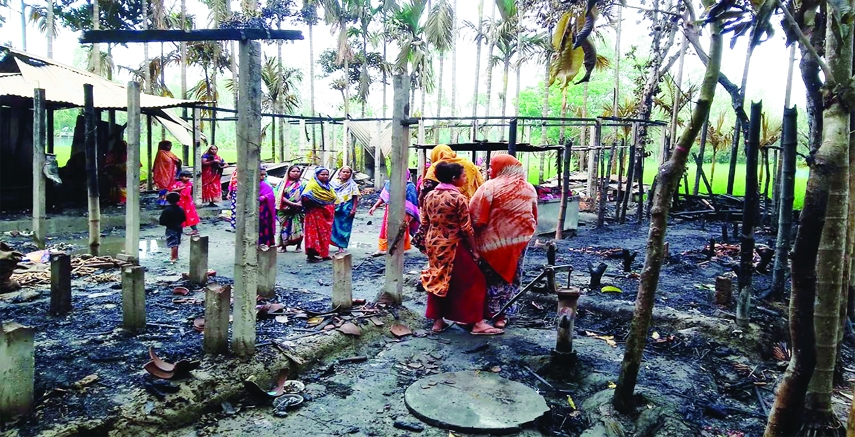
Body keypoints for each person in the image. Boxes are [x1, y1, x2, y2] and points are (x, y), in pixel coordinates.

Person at [420, 162, 503, 335]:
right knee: (475, 280)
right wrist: (474, 250)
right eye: (464, 176)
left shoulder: (429, 196)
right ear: (454, 178)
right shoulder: (458, 198)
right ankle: (477, 323)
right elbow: (466, 228)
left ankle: (438, 321)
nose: (466, 179)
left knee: (439, 279)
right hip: (453, 244)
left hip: (434, 243)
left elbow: (425, 223)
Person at [470, 155, 539, 329]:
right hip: (518, 244)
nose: (487, 170)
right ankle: (504, 316)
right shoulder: (530, 188)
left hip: (491, 246)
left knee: (491, 279)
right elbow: (533, 216)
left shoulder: (489, 187)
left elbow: (476, 218)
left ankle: (489, 314)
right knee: (512, 279)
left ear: (502, 168)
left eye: (491, 167)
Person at [368, 172, 419, 256]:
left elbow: (413, 201)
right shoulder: (389, 183)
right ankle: (382, 248)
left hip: (404, 211)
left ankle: (402, 248)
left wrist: (411, 215)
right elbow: (383, 197)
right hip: (390, 210)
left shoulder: (410, 186)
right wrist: (374, 206)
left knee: (402, 229)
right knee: (386, 229)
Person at [301, 167, 337, 262]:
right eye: (322, 174)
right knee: (314, 233)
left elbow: (332, 198)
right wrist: (318, 204)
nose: (325, 176)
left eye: (326, 174)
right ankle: (312, 255)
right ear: (316, 175)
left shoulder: (328, 186)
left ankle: (324, 253)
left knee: (324, 234)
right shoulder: (312, 186)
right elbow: (305, 197)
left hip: (326, 215)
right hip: (314, 214)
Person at [331, 166, 360, 253]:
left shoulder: (353, 185)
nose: (345, 174)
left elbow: (355, 197)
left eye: (348, 172)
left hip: (347, 208)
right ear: (339, 173)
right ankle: (333, 243)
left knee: (345, 228)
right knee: (333, 226)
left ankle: (341, 246)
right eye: (343, 172)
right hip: (334, 207)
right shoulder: (332, 183)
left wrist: (353, 209)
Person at [276, 165, 305, 252]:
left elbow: (305, 195)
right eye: (293, 171)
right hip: (285, 209)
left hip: (298, 210)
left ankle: (298, 246)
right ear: (288, 172)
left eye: (297, 171)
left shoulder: (302, 184)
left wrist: (299, 203)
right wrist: (292, 203)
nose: (296, 173)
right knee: (284, 228)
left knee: (299, 227)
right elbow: (279, 195)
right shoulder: (282, 184)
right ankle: (284, 246)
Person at [170, 170, 201, 235]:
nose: (188, 178)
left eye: (189, 177)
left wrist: (179, 189)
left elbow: (186, 193)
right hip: (179, 202)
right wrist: (181, 188)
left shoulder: (189, 184)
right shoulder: (178, 183)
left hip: (187, 203)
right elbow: (172, 189)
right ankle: (179, 229)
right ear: (181, 177)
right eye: (186, 177)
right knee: (179, 215)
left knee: (190, 215)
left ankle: (195, 230)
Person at [159, 192, 186, 264]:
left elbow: (162, 221)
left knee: (172, 243)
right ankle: (176, 256)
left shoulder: (167, 210)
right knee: (176, 242)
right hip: (179, 227)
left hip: (170, 228)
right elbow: (183, 218)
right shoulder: (180, 209)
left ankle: (173, 258)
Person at [153, 140, 182, 204]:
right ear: (164, 146)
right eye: (169, 145)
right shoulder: (161, 153)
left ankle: (169, 200)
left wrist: (178, 161)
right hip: (163, 173)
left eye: (171, 146)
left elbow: (176, 159)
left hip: (170, 173)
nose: (170, 147)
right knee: (164, 186)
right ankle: (162, 202)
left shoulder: (169, 153)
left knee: (170, 187)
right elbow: (167, 161)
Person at [258, 168, 277, 247]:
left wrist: (264, 197)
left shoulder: (265, 185)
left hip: (263, 210)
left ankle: (265, 243)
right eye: (260, 175)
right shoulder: (249, 185)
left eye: (264, 175)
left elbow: (271, 196)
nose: (262, 177)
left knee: (264, 226)